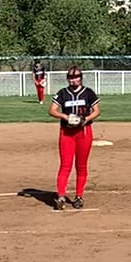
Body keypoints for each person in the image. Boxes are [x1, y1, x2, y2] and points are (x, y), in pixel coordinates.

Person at [49, 66, 100, 210]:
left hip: (84, 132)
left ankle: (79, 196)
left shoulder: (88, 93)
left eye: (76, 77)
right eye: (71, 78)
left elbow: (97, 110)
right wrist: (65, 116)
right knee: (65, 165)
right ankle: (61, 197)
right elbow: (52, 110)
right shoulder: (63, 93)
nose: (74, 80)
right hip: (67, 133)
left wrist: (86, 119)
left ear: (81, 78)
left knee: (81, 165)